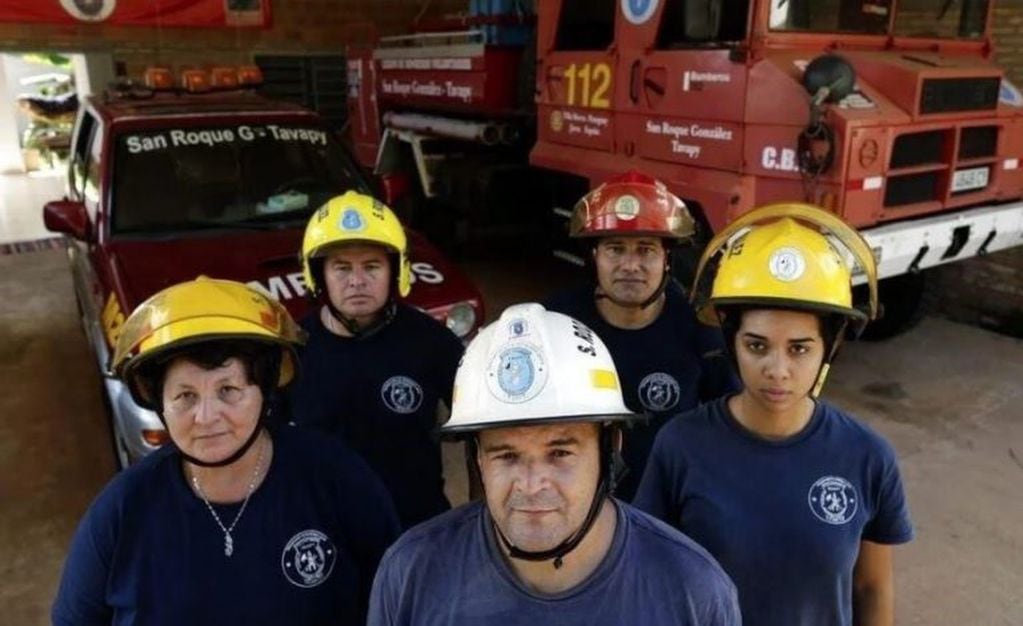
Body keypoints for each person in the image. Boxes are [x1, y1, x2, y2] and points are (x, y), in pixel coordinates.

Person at [52, 277, 400, 626]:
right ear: (160, 404)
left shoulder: (336, 478)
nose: (206, 417)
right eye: (185, 396)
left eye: (228, 390)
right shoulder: (121, 510)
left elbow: (399, 598)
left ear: (265, 392)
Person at [368, 303, 741, 626]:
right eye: (507, 456)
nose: (531, 484)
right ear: (478, 458)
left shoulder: (693, 590)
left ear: (611, 447)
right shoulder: (411, 574)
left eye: (560, 453)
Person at [634, 203, 914, 626]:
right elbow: (651, 576)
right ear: (731, 342)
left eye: (799, 348)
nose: (777, 370)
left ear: (829, 348)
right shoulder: (681, 445)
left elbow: (871, 588)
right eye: (757, 345)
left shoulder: (868, 457)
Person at [545, 171, 738, 501]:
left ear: (667, 260)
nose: (630, 265)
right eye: (615, 249)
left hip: (672, 509)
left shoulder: (700, 329)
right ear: (594, 257)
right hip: (579, 509)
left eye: (646, 250)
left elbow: (733, 422)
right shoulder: (555, 324)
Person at [289, 191, 463, 528]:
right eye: (341, 267)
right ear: (317, 274)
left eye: (371, 266)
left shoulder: (432, 341)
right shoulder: (292, 350)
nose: (357, 280)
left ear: (396, 270)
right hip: (326, 525)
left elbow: (481, 431)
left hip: (417, 528)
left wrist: (478, 514)